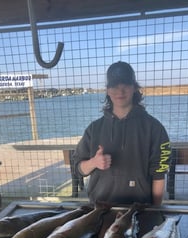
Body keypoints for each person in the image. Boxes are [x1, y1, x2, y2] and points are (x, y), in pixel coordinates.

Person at [73, 61, 171, 206]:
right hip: (100, 208)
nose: (120, 90)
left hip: (140, 209)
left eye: (125, 84)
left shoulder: (155, 129)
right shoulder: (93, 129)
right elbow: (78, 169)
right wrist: (94, 162)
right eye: (114, 85)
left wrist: (155, 211)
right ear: (107, 90)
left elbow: (159, 174)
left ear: (135, 88)